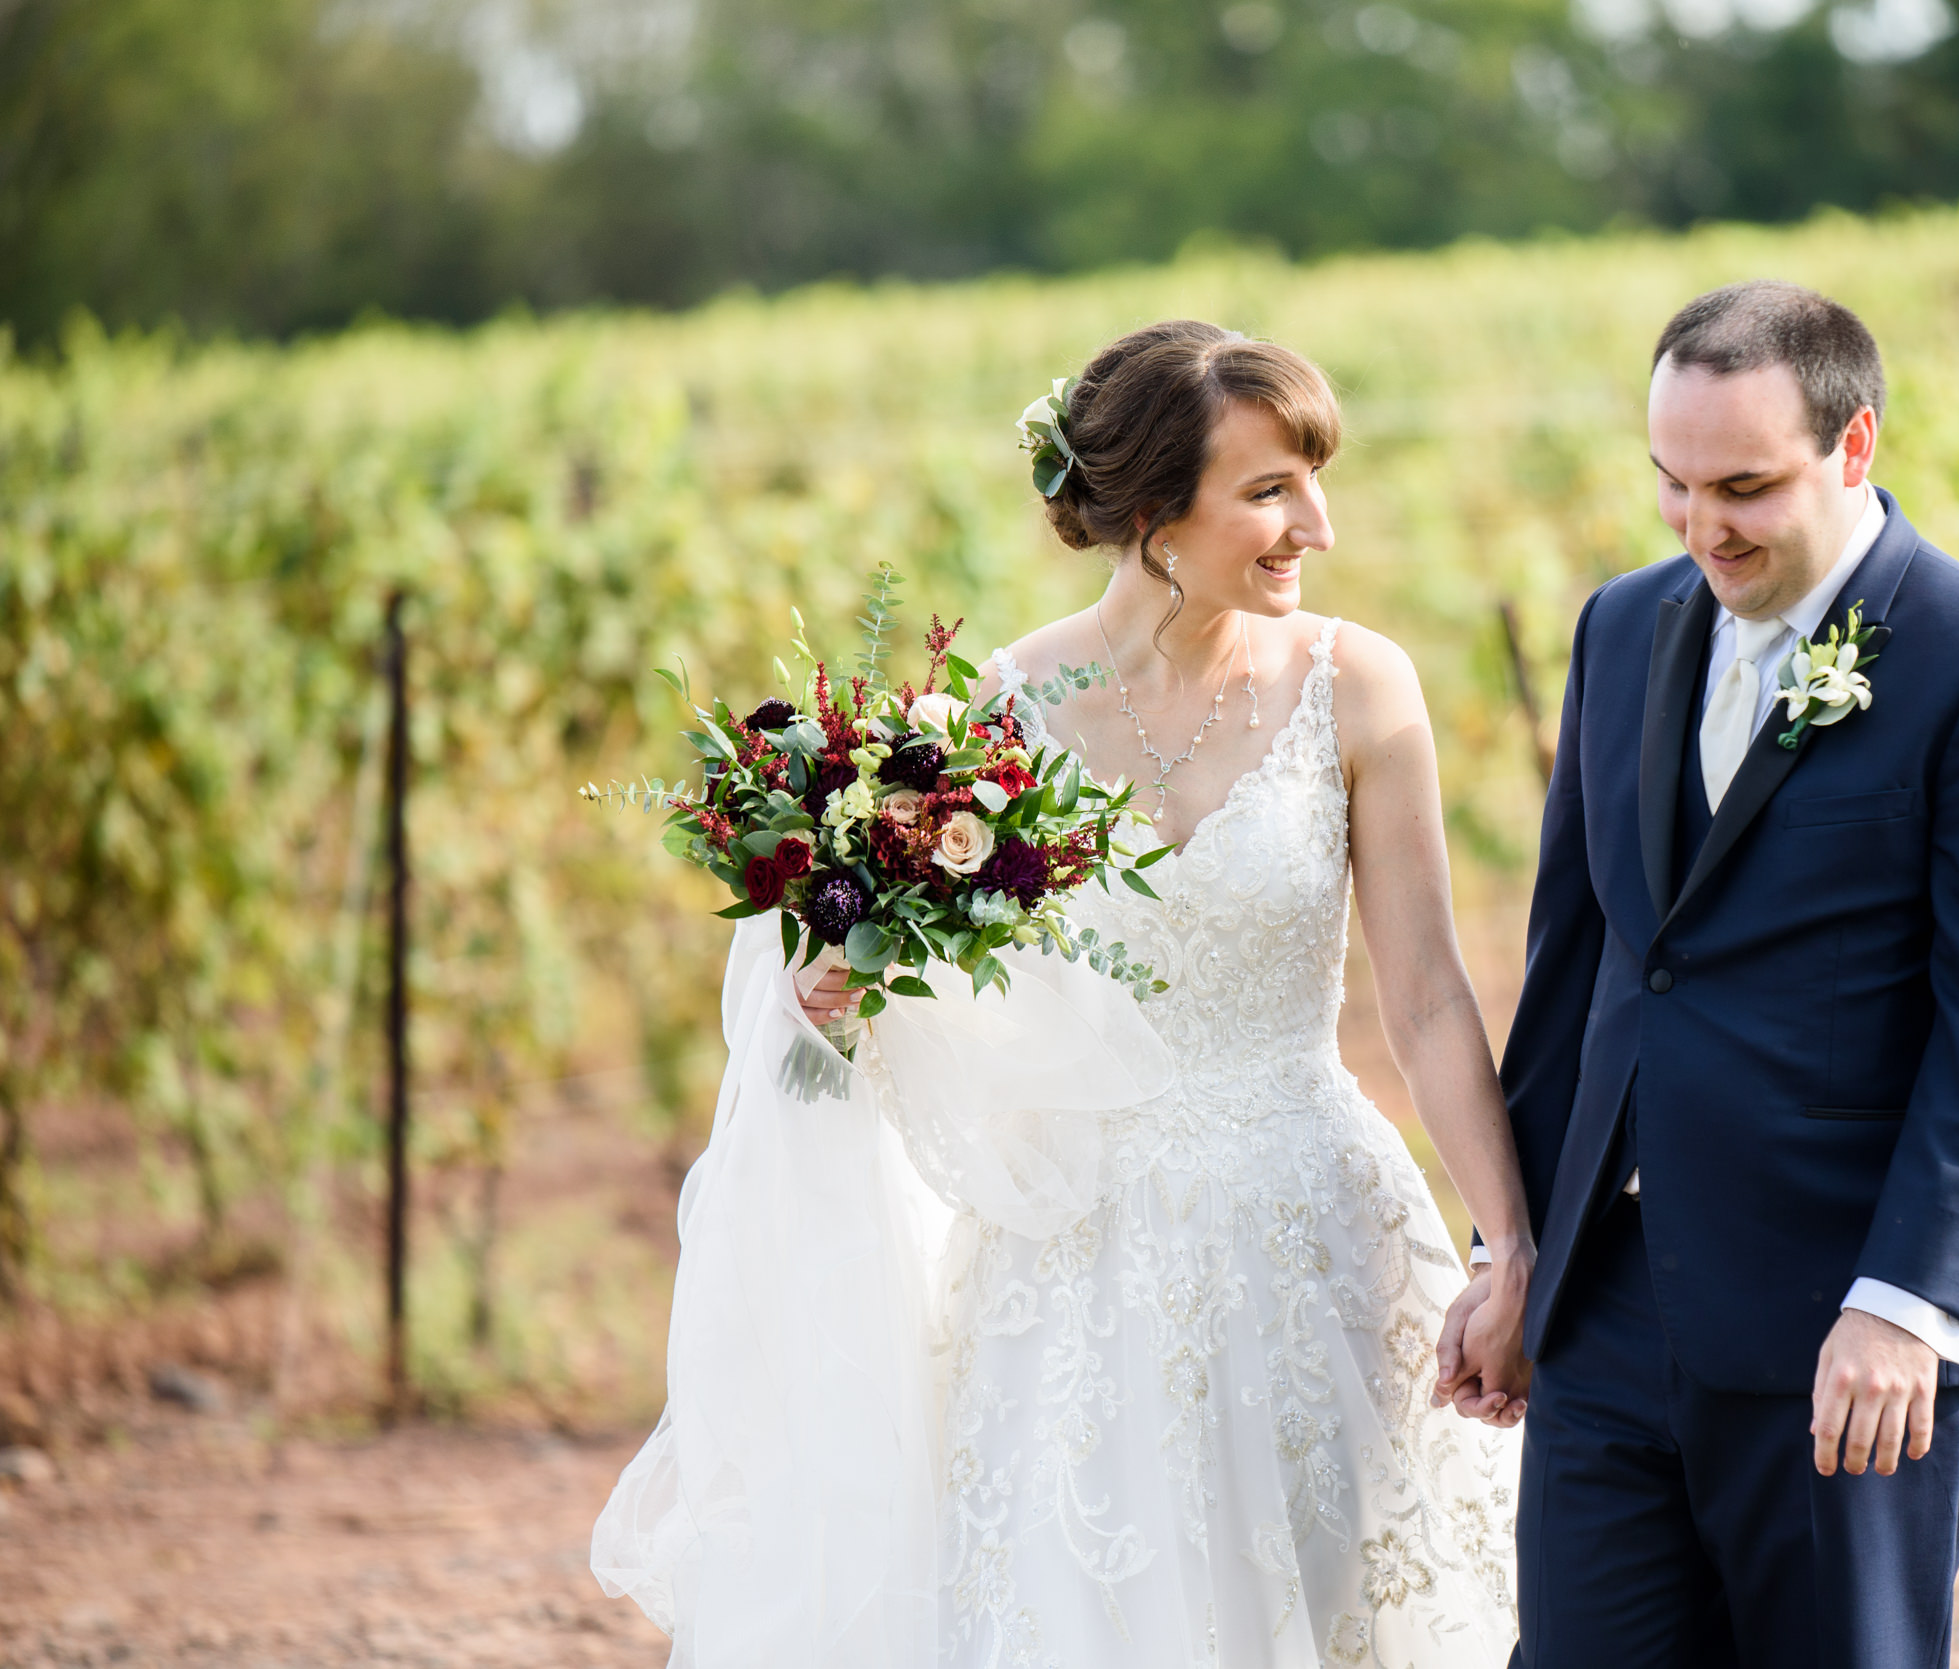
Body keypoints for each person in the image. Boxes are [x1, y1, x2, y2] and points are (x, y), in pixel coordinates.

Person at [602, 318, 1528, 1668]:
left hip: (1314, 1240)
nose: (1313, 525)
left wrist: (1511, 1245)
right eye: (1270, 490)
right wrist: (838, 1002)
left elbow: (1432, 999)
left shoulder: (1360, 685)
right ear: (1152, 513)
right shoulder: (997, 714)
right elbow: (929, 1014)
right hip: (1076, 1273)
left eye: (1315, 479)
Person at [1436, 280, 1959, 1668]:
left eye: (1743, 486)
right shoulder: (1620, 628)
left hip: (1845, 1326)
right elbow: (1581, 969)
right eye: (1672, 484)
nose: (1701, 527)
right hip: (1611, 1309)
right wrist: (1517, 1256)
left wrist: (1906, 1301)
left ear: (1856, 446)